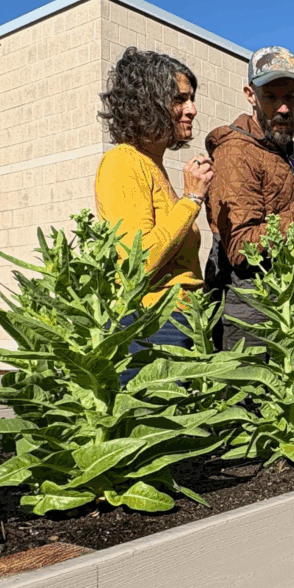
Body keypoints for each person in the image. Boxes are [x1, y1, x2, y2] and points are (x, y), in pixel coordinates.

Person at [204, 46, 294, 348]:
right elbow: (240, 249)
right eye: (271, 97)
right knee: (246, 396)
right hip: (246, 319)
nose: (283, 108)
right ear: (251, 95)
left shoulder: (293, 153)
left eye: (289, 96)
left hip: (287, 310)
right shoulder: (235, 153)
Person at [95, 47, 213, 378]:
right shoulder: (123, 162)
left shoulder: (152, 166)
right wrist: (191, 198)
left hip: (176, 322)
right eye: (180, 99)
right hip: (152, 326)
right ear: (149, 102)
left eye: (191, 99)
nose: (191, 109)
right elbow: (140, 260)